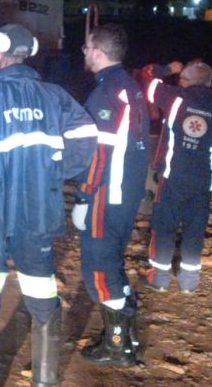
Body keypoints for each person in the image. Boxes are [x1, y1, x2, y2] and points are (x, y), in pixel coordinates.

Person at [0, 24, 98, 387]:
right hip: (38, 212)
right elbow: (87, 135)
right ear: (28, 54)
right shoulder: (54, 96)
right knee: (42, 288)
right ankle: (44, 379)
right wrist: (57, 172)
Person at [75, 24, 149, 367]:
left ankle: (118, 347)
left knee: (100, 269)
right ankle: (125, 338)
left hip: (106, 194)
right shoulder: (130, 87)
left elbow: (98, 154)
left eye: (88, 48)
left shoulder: (106, 94)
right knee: (112, 264)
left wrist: (83, 196)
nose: (85, 53)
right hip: (126, 192)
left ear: (100, 52)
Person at [143, 61, 212, 293]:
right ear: (209, 84)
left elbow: (149, 80)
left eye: (182, 80)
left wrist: (168, 70)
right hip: (202, 181)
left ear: (187, 82)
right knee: (194, 229)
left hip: (172, 177)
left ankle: (160, 278)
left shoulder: (175, 99)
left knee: (164, 226)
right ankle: (188, 281)